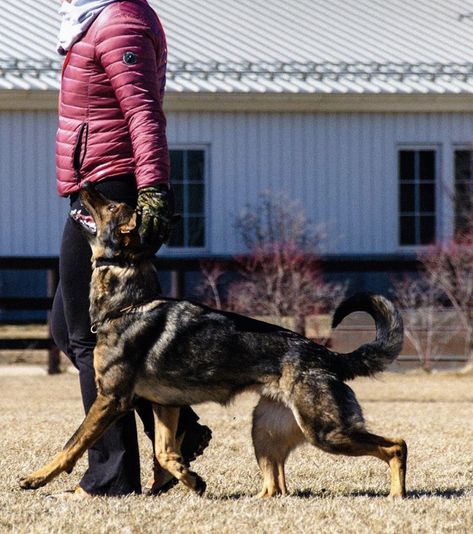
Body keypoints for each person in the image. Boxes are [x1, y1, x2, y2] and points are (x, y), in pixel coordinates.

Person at [50, 0, 211, 498]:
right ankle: (180, 429)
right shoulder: (94, 20)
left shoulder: (120, 21)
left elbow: (143, 114)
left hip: (115, 190)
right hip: (94, 183)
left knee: (88, 338)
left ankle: (111, 477)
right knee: (67, 326)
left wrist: (153, 190)